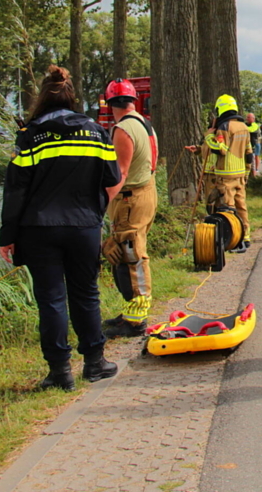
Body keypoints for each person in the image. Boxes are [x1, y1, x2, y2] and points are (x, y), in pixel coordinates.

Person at [0, 66, 121, 391]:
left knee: (51, 299)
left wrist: (7, 236)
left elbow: (15, 190)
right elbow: (112, 178)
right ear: (72, 95)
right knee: (86, 294)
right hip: (84, 227)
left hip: (39, 228)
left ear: (43, 96)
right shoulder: (95, 131)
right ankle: (95, 364)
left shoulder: (31, 134)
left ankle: (59, 372)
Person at [101, 78, 159, 338]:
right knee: (130, 253)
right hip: (146, 192)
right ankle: (131, 311)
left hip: (129, 199)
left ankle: (136, 320)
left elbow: (120, 173)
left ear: (110, 103)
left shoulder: (123, 129)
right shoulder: (144, 124)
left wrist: (100, 204)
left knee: (131, 255)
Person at [185, 95, 250, 252]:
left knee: (228, 208)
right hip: (239, 174)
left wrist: (208, 136)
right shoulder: (243, 127)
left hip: (225, 175)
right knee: (241, 206)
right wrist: (247, 171)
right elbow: (248, 153)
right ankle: (245, 236)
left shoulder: (224, 128)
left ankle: (235, 241)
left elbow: (220, 149)